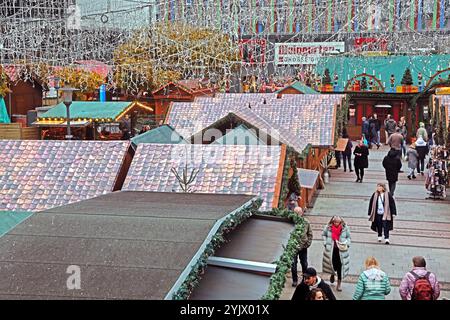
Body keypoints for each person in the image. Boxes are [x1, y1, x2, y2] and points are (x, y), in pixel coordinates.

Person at [322, 216, 351, 292]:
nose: (336, 223)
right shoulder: (328, 227)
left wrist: (347, 244)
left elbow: (348, 237)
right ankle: (332, 274)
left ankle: (339, 283)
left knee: (340, 266)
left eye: (338, 222)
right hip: (331, 250)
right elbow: (324, 235)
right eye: (335, 222)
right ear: (332, 222)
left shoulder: (345, 228)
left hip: (341, 250)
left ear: (340, 222)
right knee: (332, 264)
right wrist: (325, 243)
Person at [291, 208, 313, 287]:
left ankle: (305, 279)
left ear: (301, 213)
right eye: (296, 213)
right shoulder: (291, 221)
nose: (297, 214)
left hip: (303, 247)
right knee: (293, 265)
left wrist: (308, 244)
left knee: (304, 264)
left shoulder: (306, 222)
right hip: (293, 247)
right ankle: (295, 280)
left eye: (299, 213)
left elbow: (310, 234)